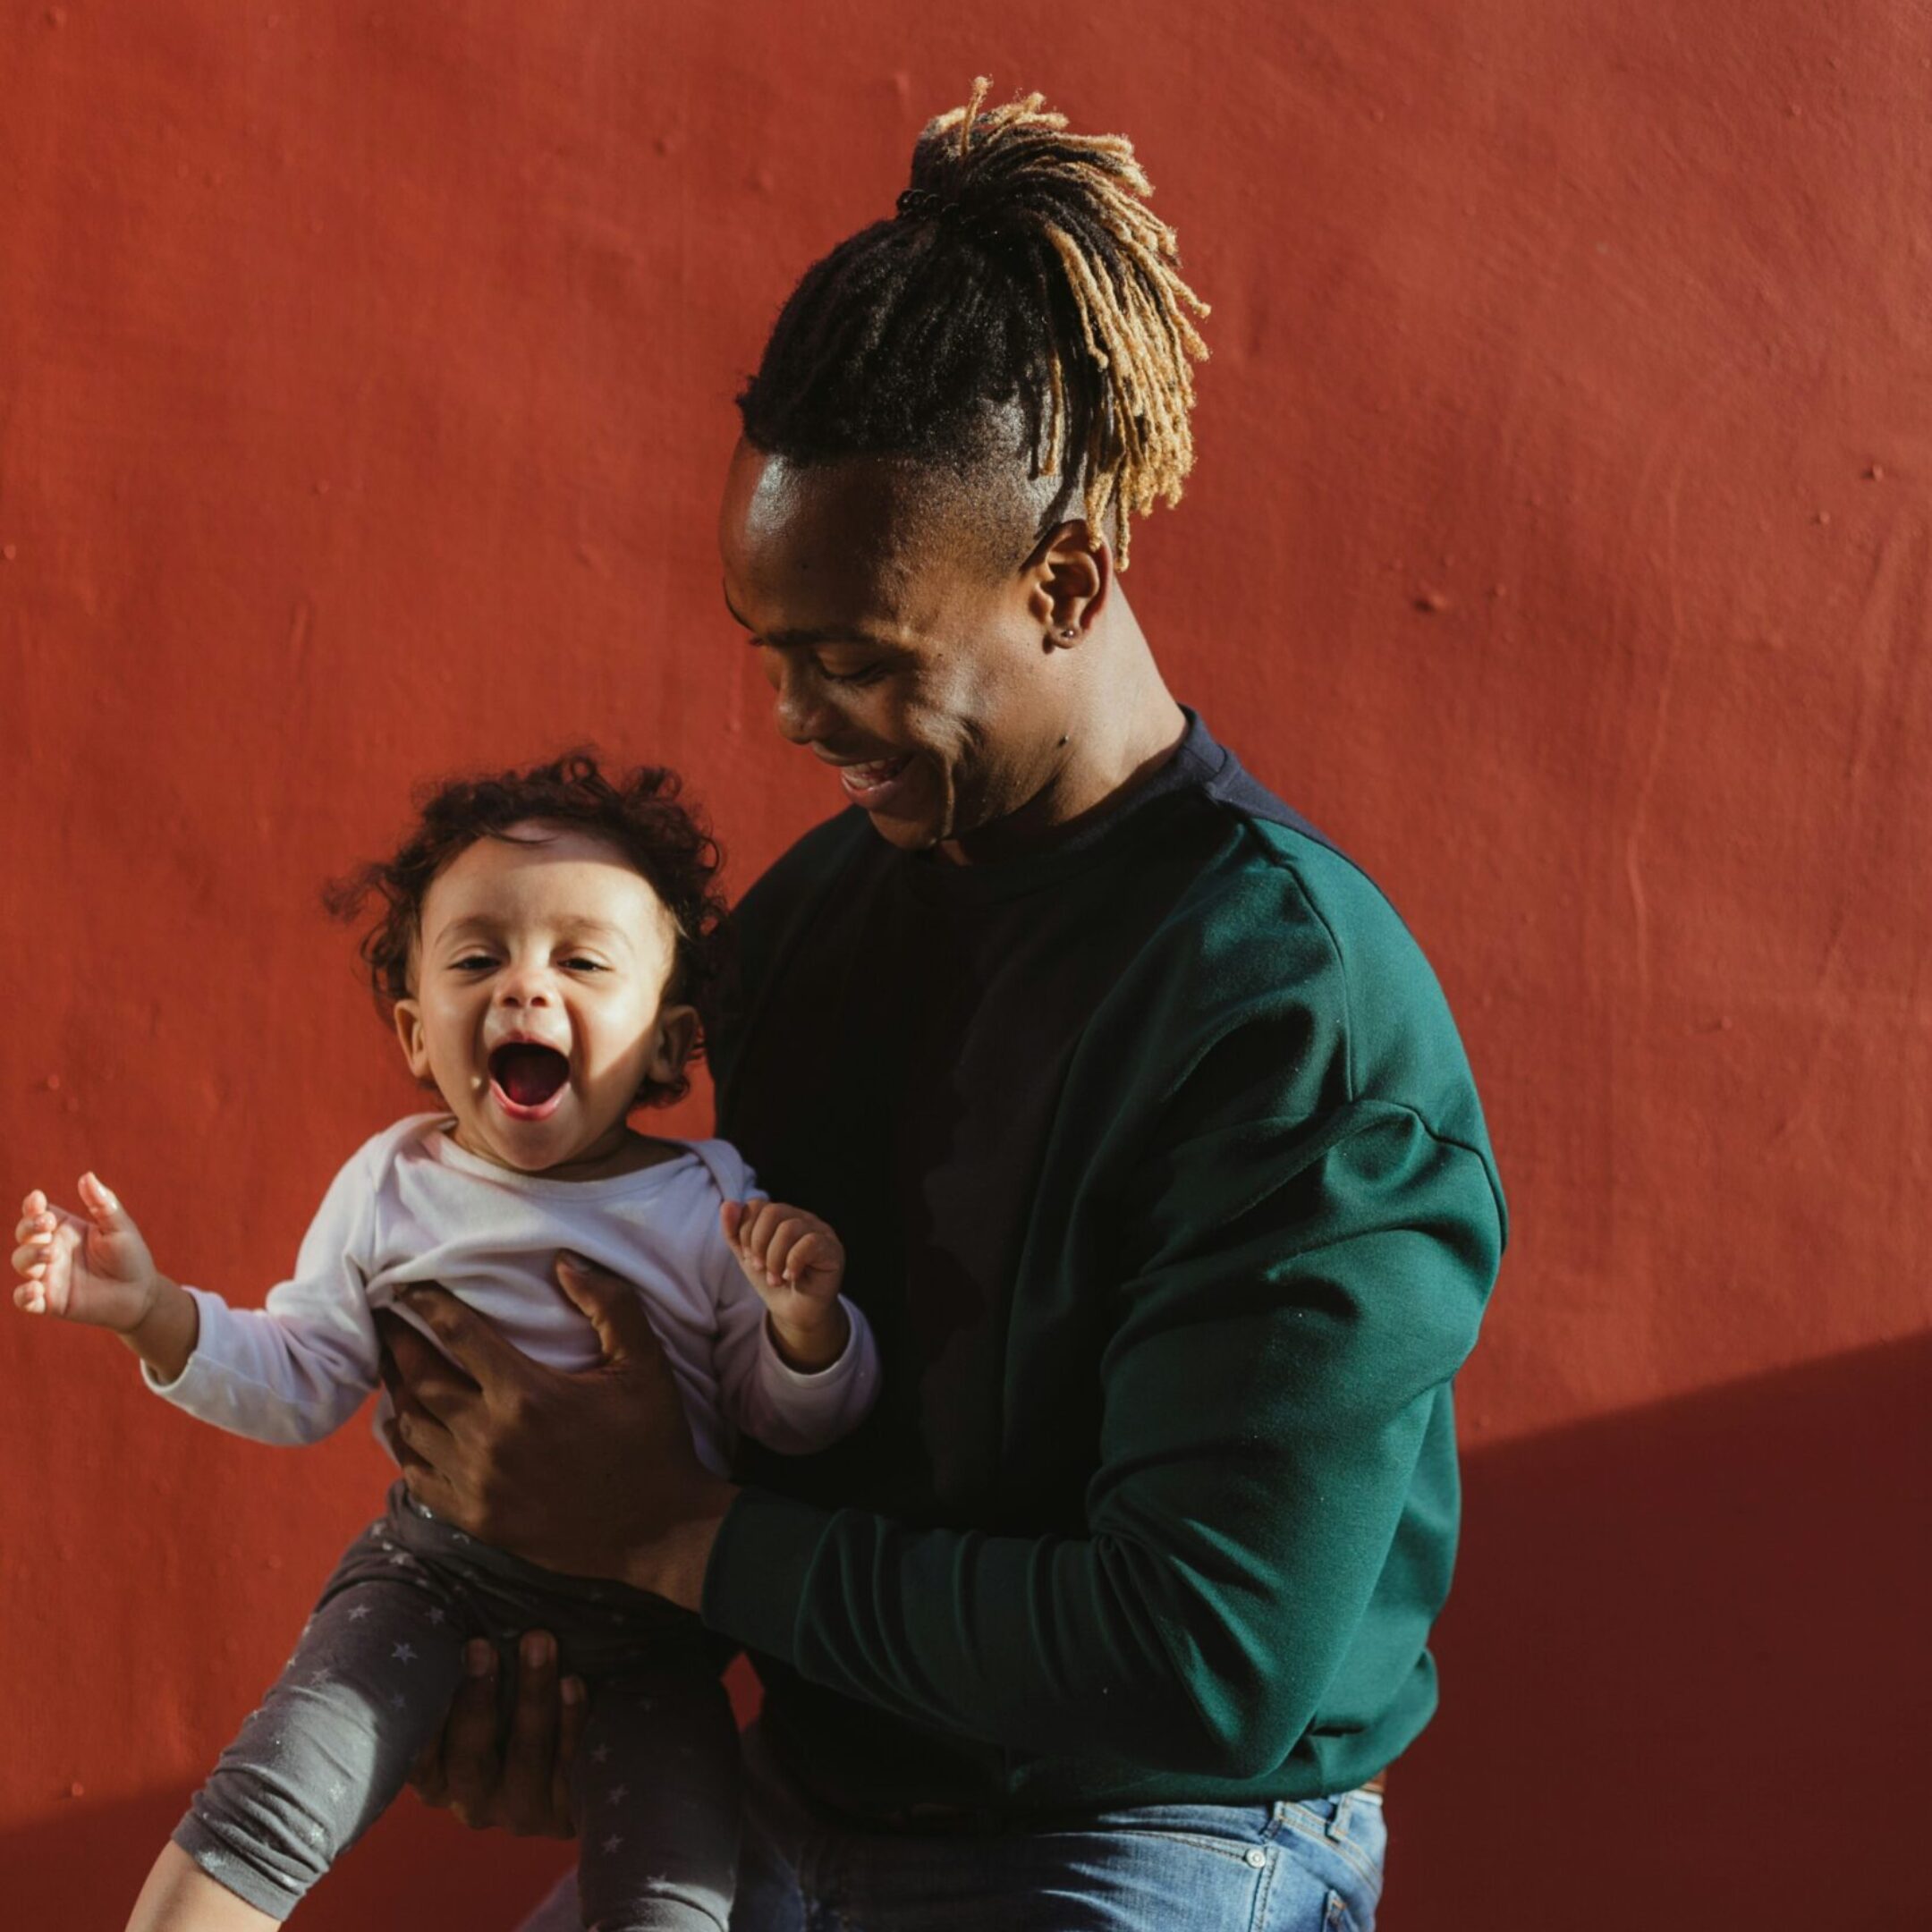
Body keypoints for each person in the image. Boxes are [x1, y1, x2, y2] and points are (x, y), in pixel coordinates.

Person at [378, 80, 1508, 1932]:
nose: (794, 721)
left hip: (1161, 1833)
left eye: (858, 660)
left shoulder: (1289, 1014)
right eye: (770, 654)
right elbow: (774, 1423)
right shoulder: (817, 926)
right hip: (801, 1796)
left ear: (1064, 578)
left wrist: (669, 1541)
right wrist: (552, 1656)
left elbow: (1206, 1659)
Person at [10, 754, 880, 1932]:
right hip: (430, 1582)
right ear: (420, 1036)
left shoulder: (710, 1204)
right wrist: (156, 1313)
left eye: (580, 961)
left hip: (655, 1631)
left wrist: (807, 1328)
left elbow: (783, 1423)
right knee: (269, 1800)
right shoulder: (394, 1185)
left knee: (677, 1898)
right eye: (479, 959)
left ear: (672, 1043)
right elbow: (304, 1376)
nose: (524, 989)